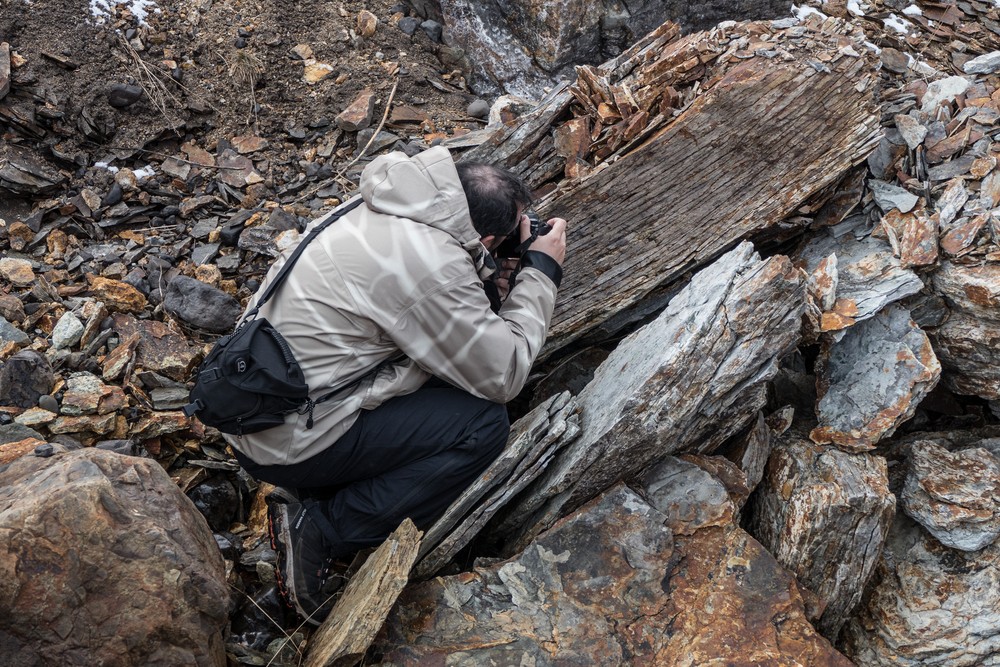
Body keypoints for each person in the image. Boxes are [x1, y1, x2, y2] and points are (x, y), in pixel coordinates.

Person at [223, 146, 567, 624]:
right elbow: (503, 375)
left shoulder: (384, 201)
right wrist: (540, 271)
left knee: (442, 388)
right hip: (288, 445)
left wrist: (491, 271)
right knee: (482, 424)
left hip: (252, 407)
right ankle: (323, 528)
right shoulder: (431, 265)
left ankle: (322, 490)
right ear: (485, 236)